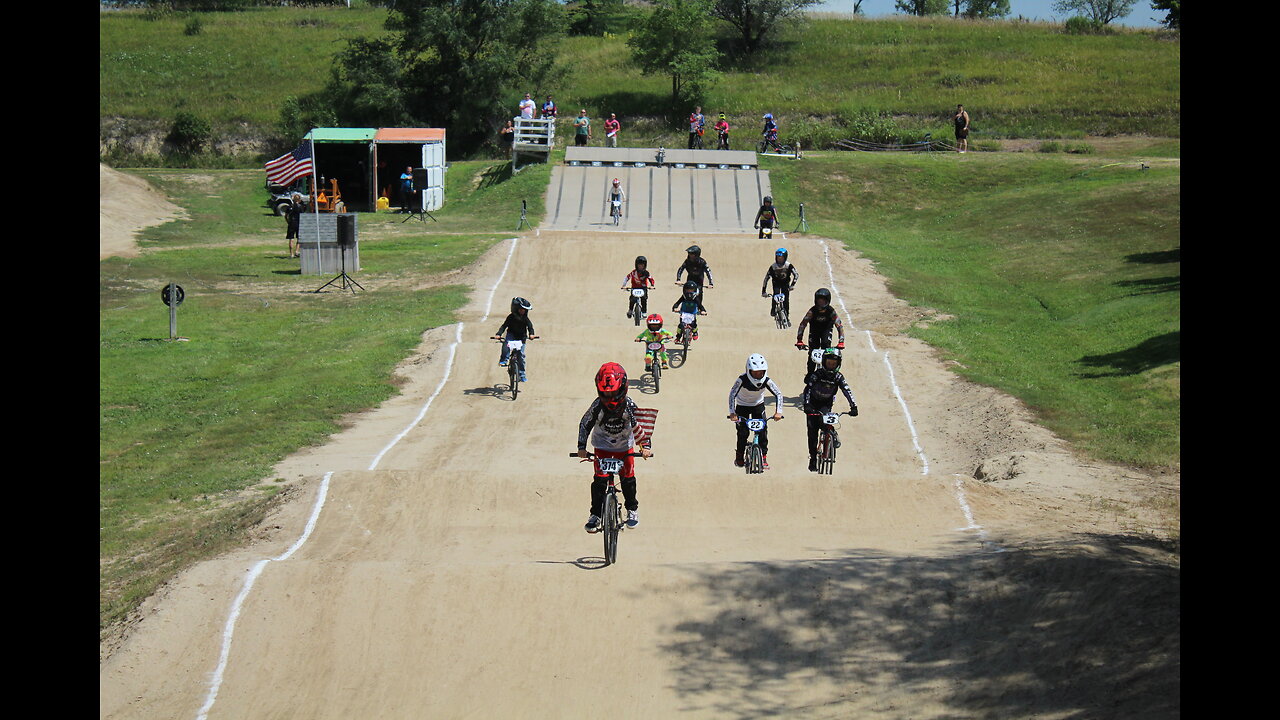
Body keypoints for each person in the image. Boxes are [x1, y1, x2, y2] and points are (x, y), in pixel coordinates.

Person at [577, 362, 652, 532]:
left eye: (612, 391)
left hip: (624, 447)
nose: (609, 395)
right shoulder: (597, 405)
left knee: (628, 478)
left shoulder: (629, 405)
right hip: (602, 446)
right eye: (605, 392)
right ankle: (595, 515)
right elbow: (585, 423)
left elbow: (641, 425)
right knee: (599, 480)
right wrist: (581, 446)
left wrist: (645, 445)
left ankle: (632, 509)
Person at [802, 348, 859, 472]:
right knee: (812, 432)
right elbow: (808, 389)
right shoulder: (817, 374)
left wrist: (853, 406)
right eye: (829, 363)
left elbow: (847, 391)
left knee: (824, 422)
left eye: (834, 364)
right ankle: (813, 458)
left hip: (826, 404)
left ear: (838, 364)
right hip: (812, 403)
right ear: (823, 362)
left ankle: (831, 431)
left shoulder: (839, 377)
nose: (831, 366)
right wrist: (806, 404)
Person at [727, 353, 784, 469]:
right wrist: (732, 413)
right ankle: (739, 457)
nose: (758, 375)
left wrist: (779, 411)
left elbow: (778, 393)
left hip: (758, 405)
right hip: (742, 406)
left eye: (760, 372)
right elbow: (732, 394)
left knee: (763, 430)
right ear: (749, 370)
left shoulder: (767, 380)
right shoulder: (742, 379)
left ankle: (763, 457)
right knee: (743, 433)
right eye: (755, 372)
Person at [795, 287, 847, 381]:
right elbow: (803, 324)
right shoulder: (812, 311)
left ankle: (827, 372)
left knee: (826, 347)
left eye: (823, 301)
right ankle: (810, 373)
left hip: (826, 331)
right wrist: (799, 340)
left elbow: (839, 325)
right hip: (814, 332)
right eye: (819, 301)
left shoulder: (831, 311)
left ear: (828, 301)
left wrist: (841, 341)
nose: (821, 303)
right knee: (812, 352)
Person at [493, 297, 538, 382]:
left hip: (521, 337)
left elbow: (530, 327)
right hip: (511, 335)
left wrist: (531, 334)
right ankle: (504, 360)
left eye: (524, 310)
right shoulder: (511, 317)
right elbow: (504, 326)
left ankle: (522, 375)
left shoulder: (525, 318)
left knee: (520, 355)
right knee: (506, 345)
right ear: (516, 309)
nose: (523, 311)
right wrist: (498, 334)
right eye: (521, 309)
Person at [761, 247, 799, 318]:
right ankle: (773, 310)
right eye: (778, 257)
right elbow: (766, 279)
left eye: (781, 257)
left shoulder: (788, 265)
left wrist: (792, 285)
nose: (779, 259)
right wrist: (763, 291)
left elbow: (796, 275)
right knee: (776, 295)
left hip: (785, 284)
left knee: (786, 299)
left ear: (785, 257)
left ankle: (786, 314)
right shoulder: (773, 267)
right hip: (776, 284)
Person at [622, 254, 654, 319]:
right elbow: (627, 278)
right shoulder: (633, 273)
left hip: (643, 288)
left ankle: (644, 312)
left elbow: (651, 279)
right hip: (634, 288)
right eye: (639, 265)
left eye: (642, 265)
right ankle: (630, 310)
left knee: (644, 299)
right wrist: (624, 285)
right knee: (632, 299)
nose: (640, 267)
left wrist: (652, 285)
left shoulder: (646, 273)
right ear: (636, 265)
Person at [285, 192, 304, 258]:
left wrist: (288, 222)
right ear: (299, 200)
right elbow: (302, 216)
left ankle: (291, 254)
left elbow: (286, 216)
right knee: (299, 238)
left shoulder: (289, 206)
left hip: (291, 223)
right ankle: (297, 251)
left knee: (291, 238)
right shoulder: (300, 207)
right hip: (298, 223)